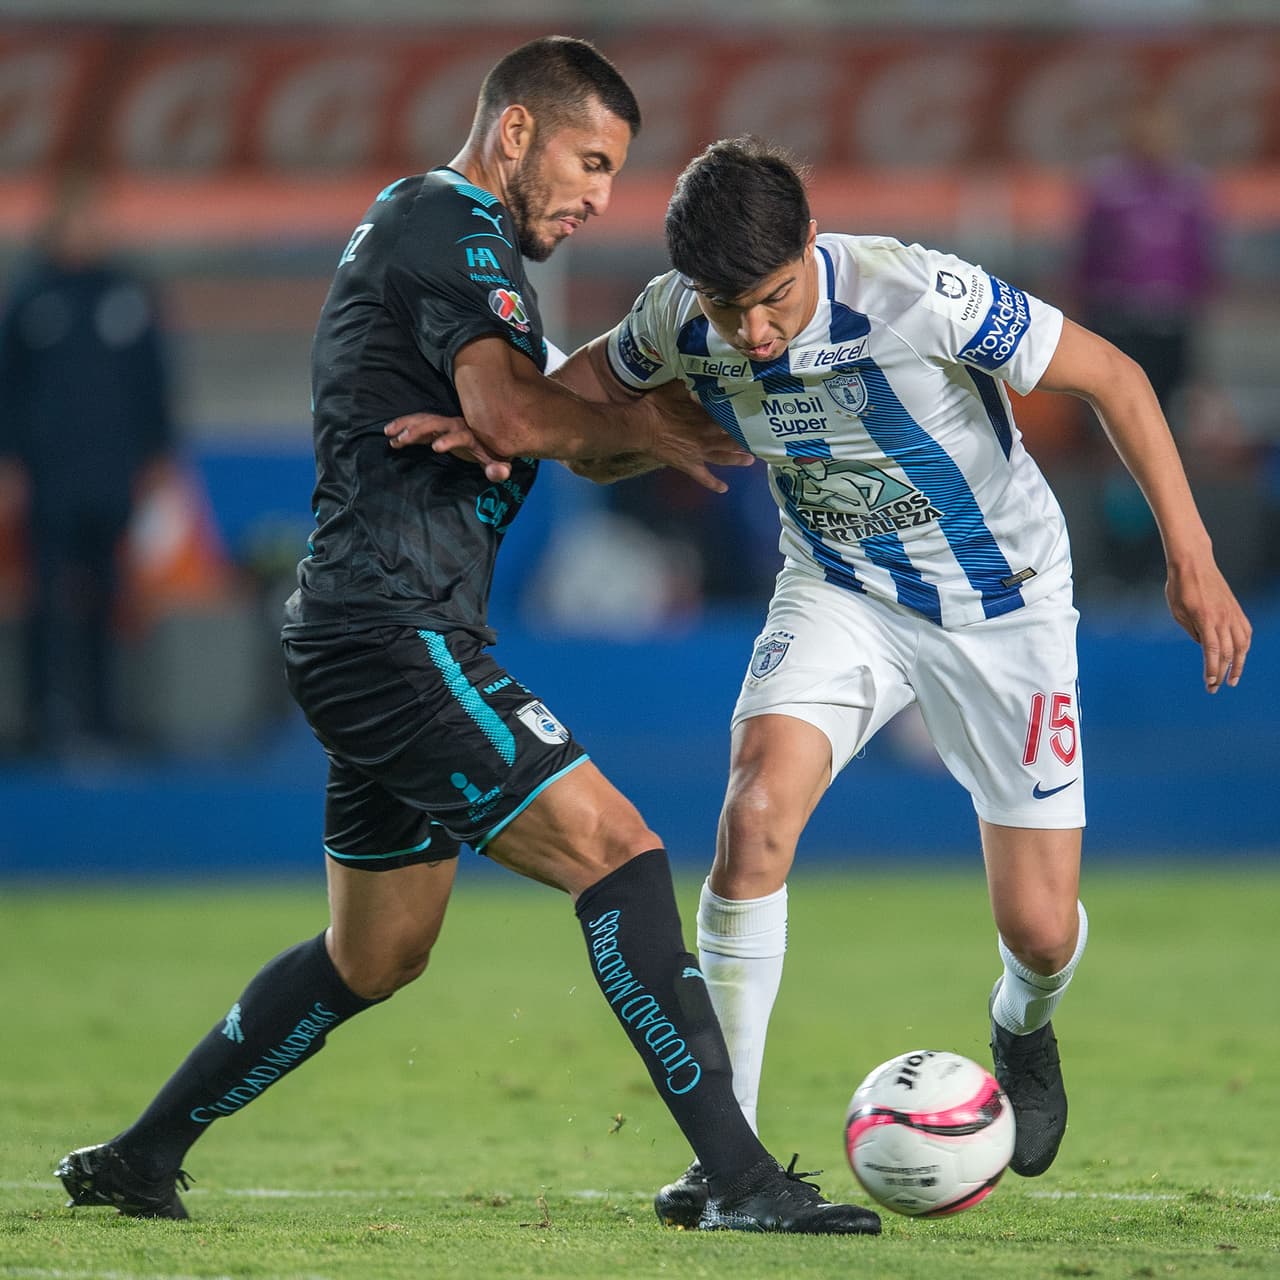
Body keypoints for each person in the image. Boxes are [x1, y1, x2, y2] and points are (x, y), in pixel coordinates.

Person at [54, 45, 881, 1237]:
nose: (600, 196)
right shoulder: (455, 224)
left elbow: (541, 423)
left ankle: (139, 1156)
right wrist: (616, 419)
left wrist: (574, 422)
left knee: (377, 950)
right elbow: (517, 413)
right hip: (393, 627)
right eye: (589, 160)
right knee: (620, 849)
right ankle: (740, 1177)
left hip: (371, 627)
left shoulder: (438, 243)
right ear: (511, 137)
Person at [385, 135, 1251, 1228]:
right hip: (838, 592)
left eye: (772, 297)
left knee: (1037, 927)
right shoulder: (675, 317)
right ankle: (729, 1159)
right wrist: (495, 426)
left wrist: (1190, 553)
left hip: (1004, 607)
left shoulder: (915, 290)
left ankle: (1021, 1025)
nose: (749, 330)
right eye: (725, 305)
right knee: (752, 817)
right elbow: (576, 396)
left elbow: (1113, 376)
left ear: (810, 243)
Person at [0, 169, 174, 757]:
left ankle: (105, 717)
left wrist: (158, 456)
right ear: (56, 225)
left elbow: (155, 381)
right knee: (46, 597)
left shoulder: (126, 294)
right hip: (49, 477)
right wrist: (9, 465)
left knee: (109, 595)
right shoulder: (31, 297)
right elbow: (8, 388)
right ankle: (45, 718)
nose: (88, 231)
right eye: (78, 219)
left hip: (113, 473)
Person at [1070, 97, 1220, 587]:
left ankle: (1169, 559)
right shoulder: (1109, 191)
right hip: (1119, 325)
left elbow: (1204, 264)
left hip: (1171, 326)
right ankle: (1117, 558)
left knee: (1169, 442)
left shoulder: (1190, 191)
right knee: (1114, 442)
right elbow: (1085, 262)